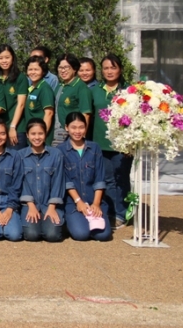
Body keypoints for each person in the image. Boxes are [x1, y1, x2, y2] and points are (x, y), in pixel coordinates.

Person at [90, 53, 132, 229]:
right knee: (107, 179)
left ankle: (121, 213)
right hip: (100, 143)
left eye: (113, 68)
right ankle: (109, 212)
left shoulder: (129, 92)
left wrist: (130, 144)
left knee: (121, 178)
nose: (109, 71)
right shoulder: (95, 90)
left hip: (121, 145)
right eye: (106, 68)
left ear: (120, 69)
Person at [58, 112, 112, 241]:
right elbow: (66, 181)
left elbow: (99, 179)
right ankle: (70, 222)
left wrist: (96, 204)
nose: (77, 131)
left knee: (103, 235)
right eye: (73, 127)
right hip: (73, 202)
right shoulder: (60, 150)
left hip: (93, 199)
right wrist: (79, 202)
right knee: (81, 234)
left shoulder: (94, 148)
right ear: (66, 127)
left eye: (81, 127)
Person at [20, 118, 65, 243]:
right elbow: (21, 182)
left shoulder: (56, 154)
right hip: (29, 204)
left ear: (46, 134)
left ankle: (48, 223)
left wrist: (52, 206)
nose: (37, 137)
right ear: (27, 135)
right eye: (33, 134)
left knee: (52, 235)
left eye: (40, 133)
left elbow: (58, 181)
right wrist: (30, 205)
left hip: (49, 203)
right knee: (32, 235)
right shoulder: (20, 155)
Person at [0, 44, 28, 150]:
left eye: (7, 57)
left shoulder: (20, 78)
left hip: (16, 128)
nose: (4, 61)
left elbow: (21, 104)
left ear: (13, 58)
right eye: (1, 58)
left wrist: (13, 127)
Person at [53, 53, 93, 146]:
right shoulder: (59, 86)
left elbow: (86, 115)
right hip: (57, 133)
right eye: (60, 67)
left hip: (72, 135)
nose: (63, 70)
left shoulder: (81, 88)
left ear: (74, 69)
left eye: (66, 67)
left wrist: (81, 139)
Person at [22, 56, 56, 145]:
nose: (33, 72)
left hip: (40, 140)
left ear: (43, 71)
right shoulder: (31, 88)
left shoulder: (45, 89)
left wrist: (41, 135)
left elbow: (49, 113)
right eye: (30, 69)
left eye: (36, 69)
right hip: (32, 137)